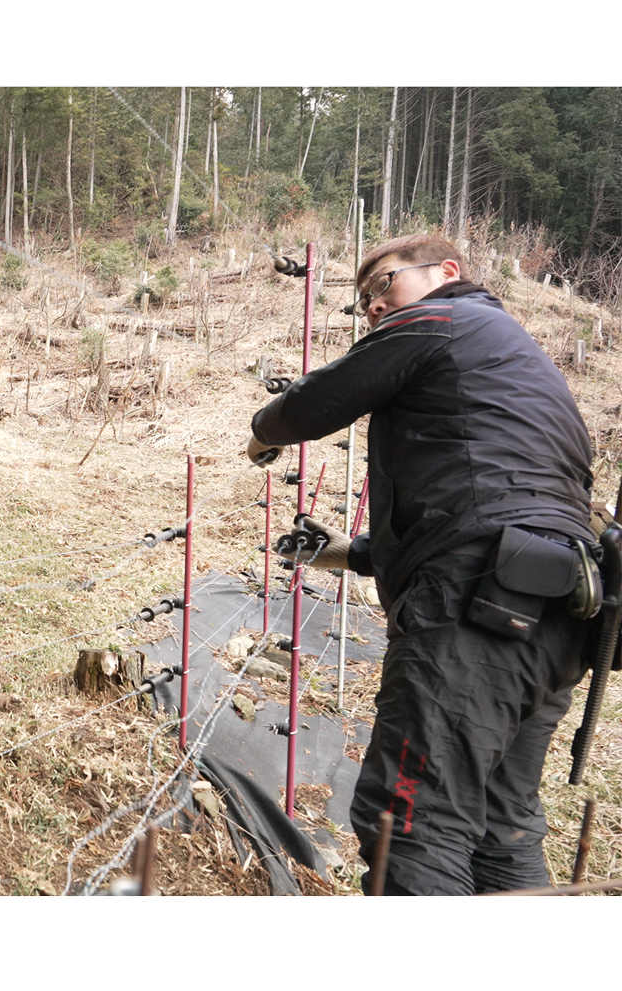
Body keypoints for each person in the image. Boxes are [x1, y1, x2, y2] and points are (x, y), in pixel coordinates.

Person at [246, 234, 597, 895]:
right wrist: (341, 553)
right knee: (502, 826)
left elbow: (318, 402)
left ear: (447, 272)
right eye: (365, 299)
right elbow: (485, 504)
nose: (375, 305)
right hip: (552, 615)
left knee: (411, 819)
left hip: (477, 614)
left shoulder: (444, 318)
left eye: (385, 283)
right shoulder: (515, 363)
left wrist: (263, 433)